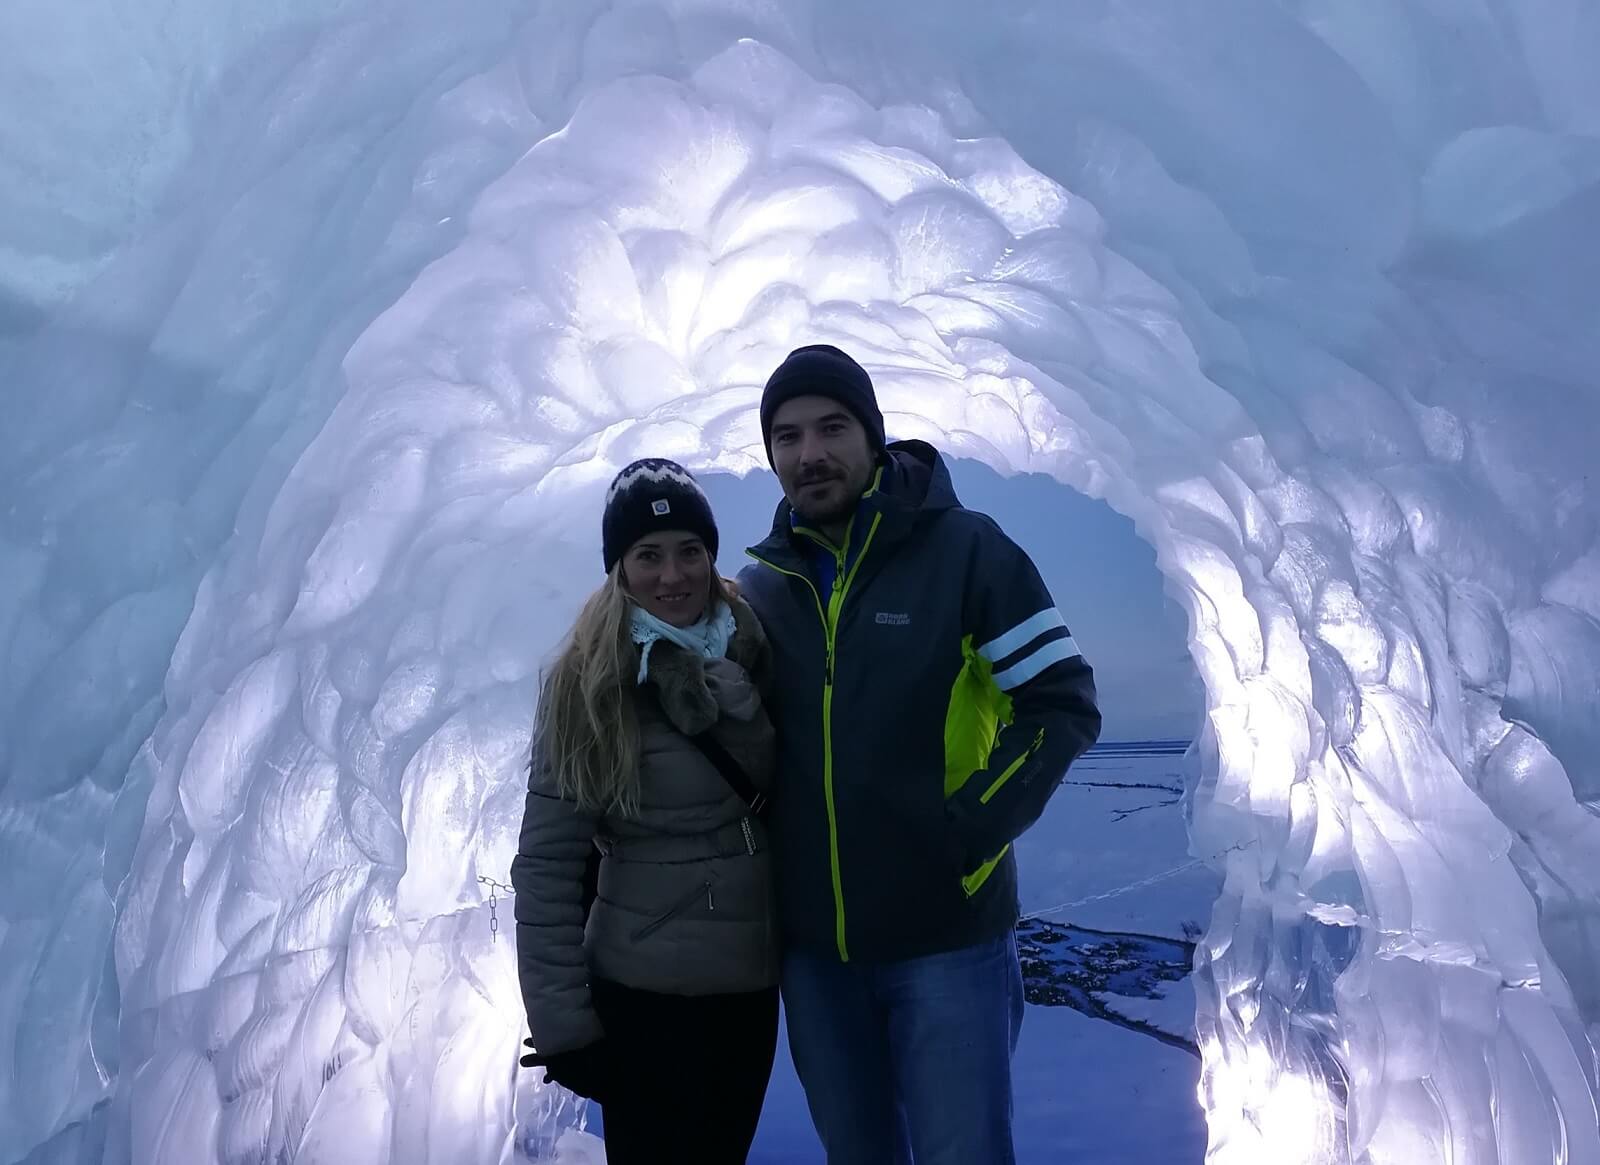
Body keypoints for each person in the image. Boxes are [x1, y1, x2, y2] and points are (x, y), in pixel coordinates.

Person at [738, 345, 1103, 1165]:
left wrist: (966, 831)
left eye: (833, 427)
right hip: (817, 959)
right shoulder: (761, 588)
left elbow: (1061, 701)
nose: (810, 453)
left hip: (948, 943)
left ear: (872, 437)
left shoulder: (966, 552)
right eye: (787, 436)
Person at [511, 458, 780, 1165]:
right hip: (645, 1001)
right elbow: (545, 864)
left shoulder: (752, 644)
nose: (673, 574)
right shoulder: (589, 681)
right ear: (619, 568)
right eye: (649, 555)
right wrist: (564, 1029)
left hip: (749, 993)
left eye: (690, 550)